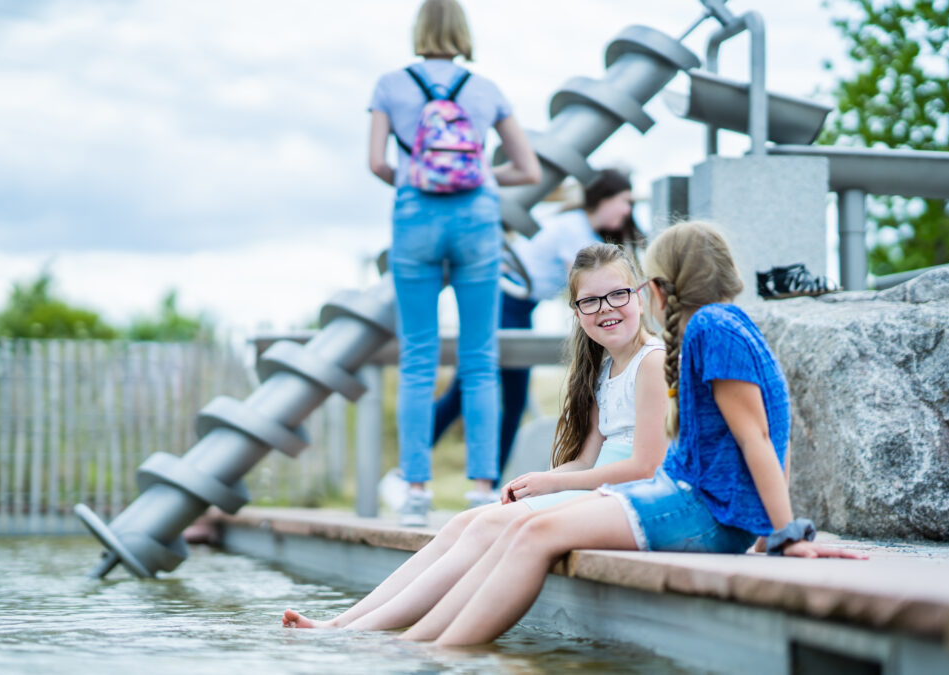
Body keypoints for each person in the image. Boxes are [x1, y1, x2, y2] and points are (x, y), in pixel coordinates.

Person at [391, 221, 867, 647]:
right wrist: (769, 533)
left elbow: (758, 438)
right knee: (527, 529)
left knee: (533, 533)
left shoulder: (709, 330)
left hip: (695, 506)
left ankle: (437, 652)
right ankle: (417, 643)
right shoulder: (725, 326)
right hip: (694, 500)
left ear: (656, 291)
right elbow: (767, 436)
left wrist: (783, 535)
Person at [283, 243, 667, 631]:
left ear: (638, 294)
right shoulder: (603, 370)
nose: (605, 308)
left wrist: (552, 481)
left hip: (623, 496)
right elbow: (587, 460)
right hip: (595, 489)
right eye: (590, 301)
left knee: (485, 527)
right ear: (576, 312)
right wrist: (542, 483)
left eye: (617, 294)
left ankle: (359, 633)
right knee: (460, 524)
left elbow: (644, 467)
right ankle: (344, 622)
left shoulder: (650, 361)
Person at [367, 0, 541, 525]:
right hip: (477, 224)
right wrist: (481, 177)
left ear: (418, 30)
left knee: (419, 355)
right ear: (463, 32)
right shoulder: (485, 89)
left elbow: (377, 161)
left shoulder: (390, 86)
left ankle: (416, 490)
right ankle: (482, 488)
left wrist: (413, 179)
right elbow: (527, 169)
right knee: (479, 357)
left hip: (415, 219)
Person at [429, 169, 645, 507]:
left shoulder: (581, 227)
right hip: (507, 300)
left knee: (506, 398)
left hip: (519, 305)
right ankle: (421, 472)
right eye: (625, 202)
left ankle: (486, 486)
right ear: (604, 199)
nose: (627, 212)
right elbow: (588, 283)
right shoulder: (576, 231)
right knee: (472, 391)